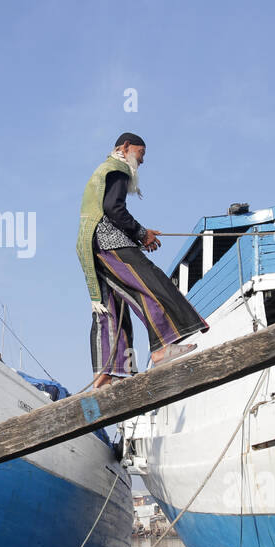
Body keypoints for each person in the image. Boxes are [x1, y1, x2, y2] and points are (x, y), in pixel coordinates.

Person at [77, 132, 209, 389]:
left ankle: (105, 374)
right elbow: (114, 209)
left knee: (110, 307)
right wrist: (140, 233)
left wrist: (141, 233)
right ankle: (162, 346)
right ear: (126, 147)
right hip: (109, 242)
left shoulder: (103, 170)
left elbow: (109, 210)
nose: (143, 160)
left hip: (93, 244)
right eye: (141, 153)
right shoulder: (117, 168)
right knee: (151, 284)